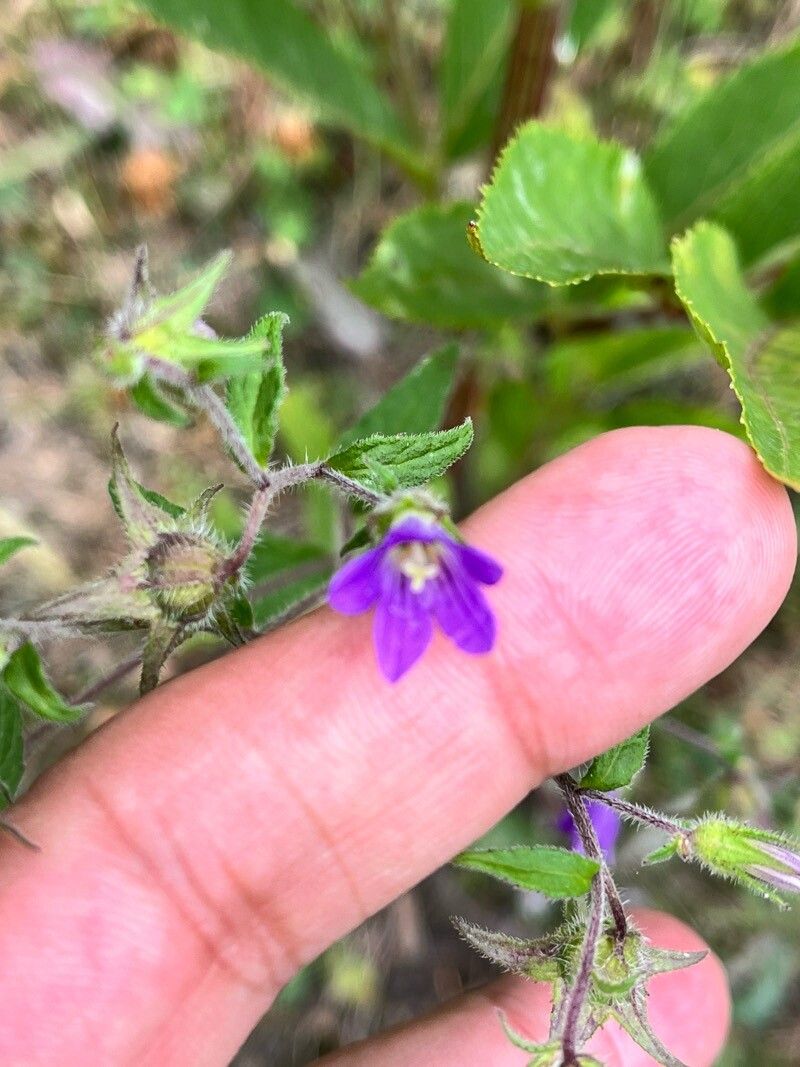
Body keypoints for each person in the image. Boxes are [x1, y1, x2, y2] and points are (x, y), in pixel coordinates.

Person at [0, 425, 795, 1066]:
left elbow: (462, 622)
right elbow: (371, 593)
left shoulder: (435, 576)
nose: (418, 555)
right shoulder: (392, 566)